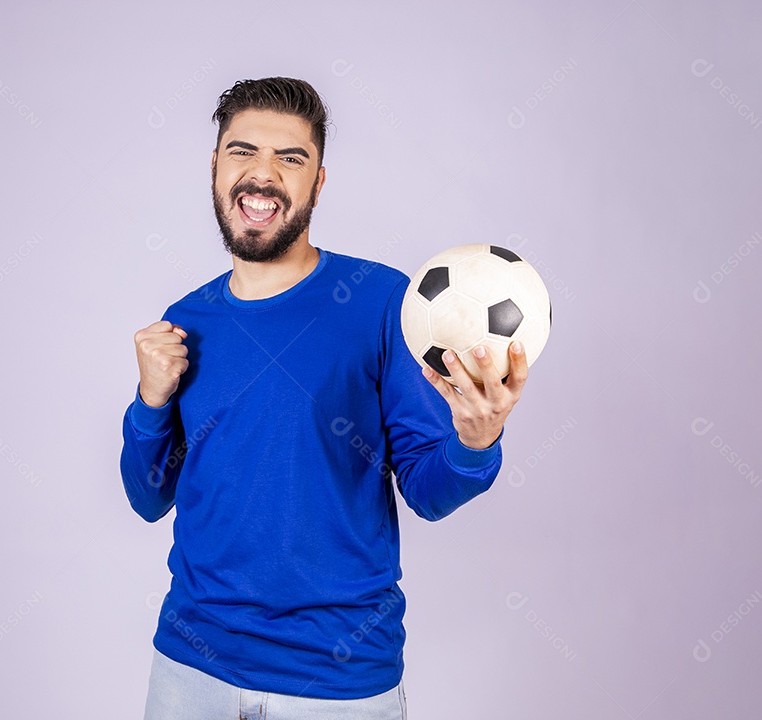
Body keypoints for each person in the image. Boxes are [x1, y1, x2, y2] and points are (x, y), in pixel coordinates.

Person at [120, 76, 528, 719]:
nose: (262, 176)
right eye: (243, 152)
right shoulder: (184, 320)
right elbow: (148, 498)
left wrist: (475, 444)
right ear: (215, 167)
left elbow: (427, 489)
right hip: (190, 670)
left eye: (290, 159)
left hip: (335, 683)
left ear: (318, 182)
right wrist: (149, 402)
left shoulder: (381, 302)